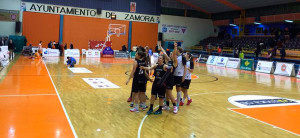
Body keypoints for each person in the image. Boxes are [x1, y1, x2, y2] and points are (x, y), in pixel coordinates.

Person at [160, 42, 178, 114]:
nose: (171, 55)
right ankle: (167, 105)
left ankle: (175, 106)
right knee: (166, 93)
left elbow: (174, 54)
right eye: (170, 54)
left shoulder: (175, 62)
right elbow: (164, 53)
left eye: (172, 54)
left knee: (169, 93)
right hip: (166, 78)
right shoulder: (169, 60)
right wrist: (161, 47)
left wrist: (175, 47)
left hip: (171, 79)